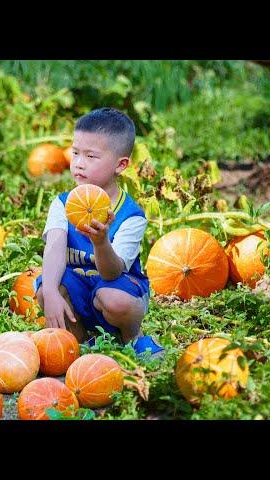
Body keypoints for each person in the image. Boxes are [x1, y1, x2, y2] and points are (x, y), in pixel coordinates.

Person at [35, 107, 164, 357]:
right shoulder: (62, 205)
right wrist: (50, 291)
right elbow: (54, 251)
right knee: (46, 288)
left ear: (121, 165)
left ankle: (132, 339)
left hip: (116, 288)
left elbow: (111, 272)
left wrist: (101, 241)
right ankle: (82, 342)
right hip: (81, 289)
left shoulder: (130, 215)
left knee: (114, 297)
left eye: (91, 156)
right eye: (75, 153)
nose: (78, 164)